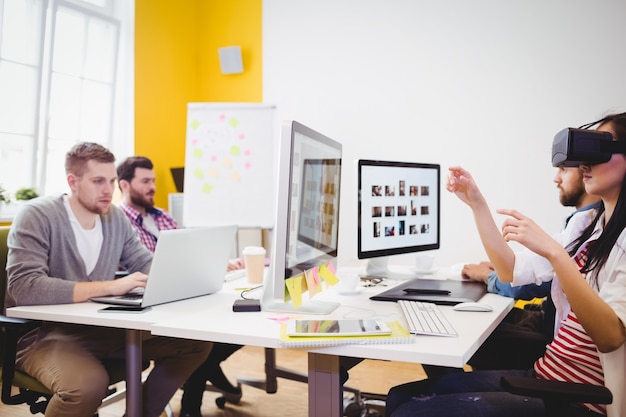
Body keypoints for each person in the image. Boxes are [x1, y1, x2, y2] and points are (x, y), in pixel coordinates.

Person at [386, 112, 626, 417]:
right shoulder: (589, 224)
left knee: (411, 412)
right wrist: (477, 203)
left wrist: (555, 253)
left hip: (581, 398)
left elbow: (611, 336)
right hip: (546, 375)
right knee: (398, 397)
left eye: (600, 149)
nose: (583, 164)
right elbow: (509, 270)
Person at [5, 142, 212, 417]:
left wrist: (196, 274)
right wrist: (111, 287)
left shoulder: (114, 217)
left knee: (195, 343)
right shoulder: (37, 215)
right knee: (86, 387)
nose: (108, 190)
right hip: (44, 335)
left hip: (102, 326)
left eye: (112, 180)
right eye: (98, 181)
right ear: (73, 181)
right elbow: (24, 288)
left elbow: (145, 263)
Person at [116, 156, 243, 417]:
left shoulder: (161, 215)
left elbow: (188, 254)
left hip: (180, 296)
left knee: (238, 321)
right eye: (145, 181)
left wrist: (219, 264)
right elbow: (131, 271)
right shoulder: (118, 222)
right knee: (202, 337)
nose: (152, 186)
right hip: (149, 306)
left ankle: (207, 370)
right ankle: (193, 403)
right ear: (125, 185)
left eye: (153, 180)